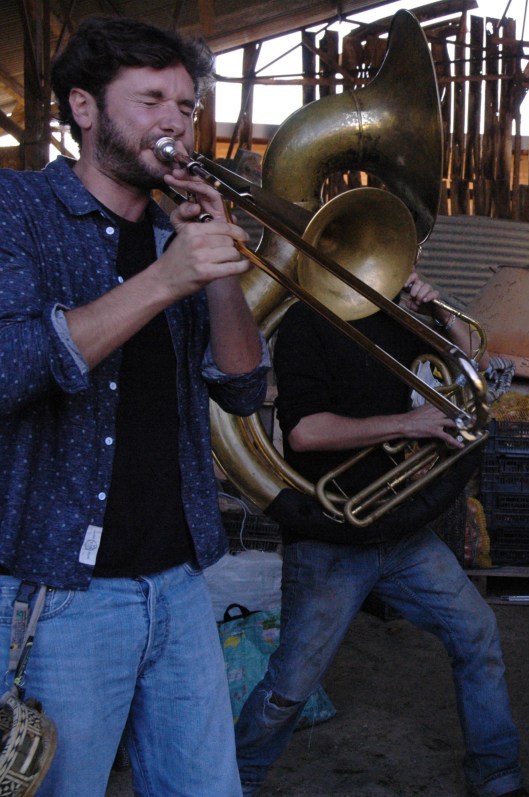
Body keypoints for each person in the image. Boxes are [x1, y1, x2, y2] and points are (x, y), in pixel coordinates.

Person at [0, 15, 268, 795]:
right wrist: (166, 278)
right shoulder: (18, 208)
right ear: (84, 107)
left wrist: (219, 264)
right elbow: (13, 367)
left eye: (186, 106)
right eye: (151, 100)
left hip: (179, 583)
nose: (174, 123)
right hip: (59, 593)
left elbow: (244, 388)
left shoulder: (169, 232)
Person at [234, 274, 527, 797]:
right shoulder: (306, 321)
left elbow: (473, 372)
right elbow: (305, 432)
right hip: (330, 536)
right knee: (292, 685)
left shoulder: (399, 316)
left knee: (477, 633)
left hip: (400, 531)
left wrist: (440, 310)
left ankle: (497, 776)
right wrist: (406, 424)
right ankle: (235, 779)